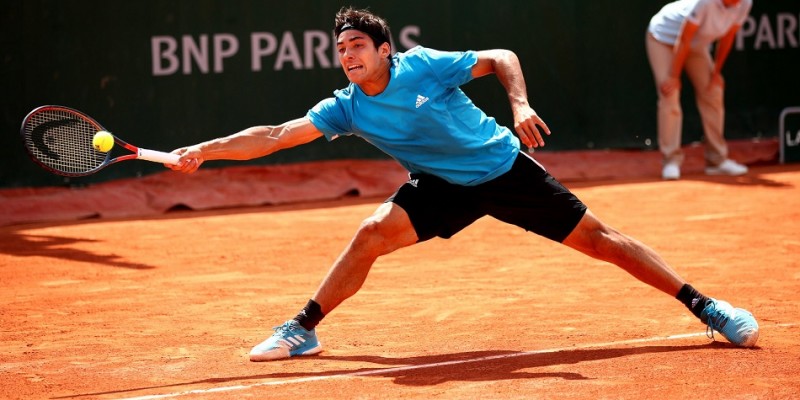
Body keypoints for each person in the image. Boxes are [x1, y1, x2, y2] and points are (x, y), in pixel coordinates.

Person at [168, 7, 759, 361]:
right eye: (339, 49)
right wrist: (202, 151)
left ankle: (705, 306)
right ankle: (302, 329)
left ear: (383, 50)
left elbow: (501, 55)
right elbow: (273, 134)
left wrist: (520, 104)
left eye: (356, 47)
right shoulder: (346, 107)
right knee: (371, 231)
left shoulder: (422, 64)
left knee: (602, 240)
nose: (346, 56)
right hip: (440, 187)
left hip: (502, 168)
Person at [646, 0, 752, 180]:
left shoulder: (745, 3)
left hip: (694, 44)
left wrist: (716, 72)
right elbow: (684, 38)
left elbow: (728, 36)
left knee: (713, 91)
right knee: (669, 93)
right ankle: (671, 161)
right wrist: (673, 76)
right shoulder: (705, 3)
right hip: (663, 38)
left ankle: (716, 161)